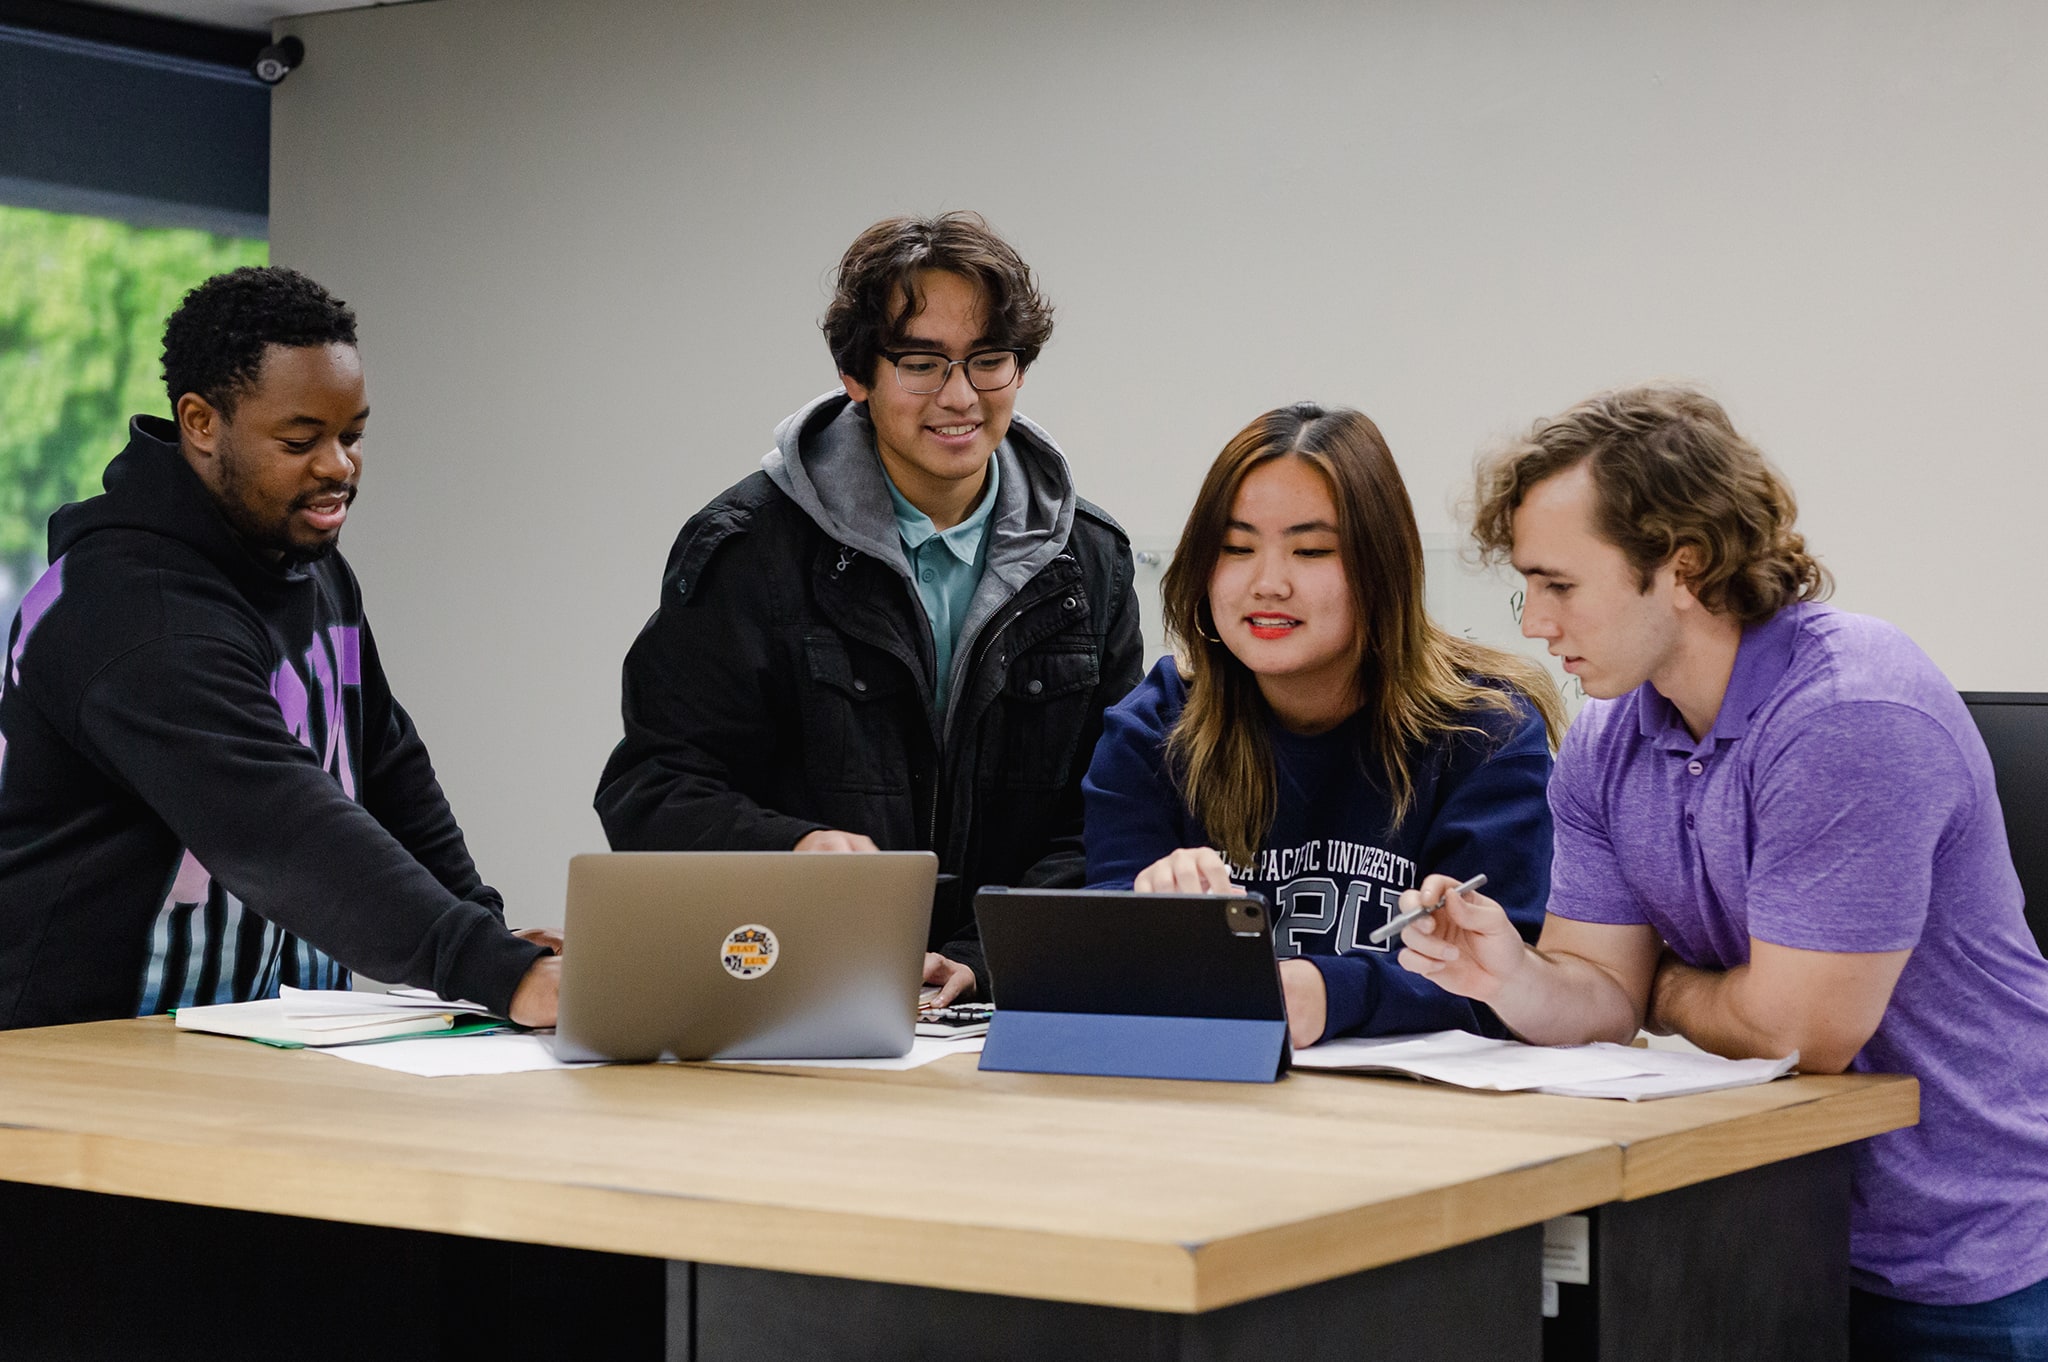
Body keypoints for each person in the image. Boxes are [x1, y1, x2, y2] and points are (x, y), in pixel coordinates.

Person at [1398, 385, 2048, 1357]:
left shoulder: (1848, 714)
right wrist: (1513, 976)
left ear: (1681, 565)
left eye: (1560, 585)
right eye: (1524, 586)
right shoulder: (1609, 739)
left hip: (1960, 1255)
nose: (1531, 623)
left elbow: (1799, 1033)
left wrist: (1649, 987)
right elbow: (1595, 998)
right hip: (1759, 1228)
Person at [594, 212, 1142, 1003]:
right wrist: (794, 850)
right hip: (792, 989)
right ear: (858, 375)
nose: (959, 396)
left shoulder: (1089, 563)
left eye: (988, 360)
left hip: (1003, 999)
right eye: (921, 363)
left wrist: (980, 956)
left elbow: (1110, 814)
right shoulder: (748, 550)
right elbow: (654, 788)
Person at [0, 267, 559, 1029]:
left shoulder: (309, 566)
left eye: (352, 435)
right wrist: (488, 967)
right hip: (82, 1048)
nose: (338, 466)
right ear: (201, 422)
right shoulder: (132, 611)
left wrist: (483, 934)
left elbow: (385, 765)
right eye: (301, 440)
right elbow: (278, 824)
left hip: (256, 1039)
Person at [1082, 403, 1563, 1047]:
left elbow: (1516, 979)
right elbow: (1089, 956)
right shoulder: (1156, 724)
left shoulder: (1484, 731)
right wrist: (1146, 914)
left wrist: (1330, 993)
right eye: (1236, 547)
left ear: (1382, 569)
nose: (1268, 583)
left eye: (1310, 551)